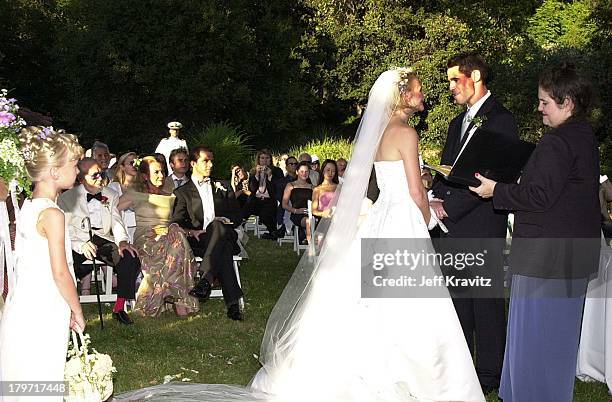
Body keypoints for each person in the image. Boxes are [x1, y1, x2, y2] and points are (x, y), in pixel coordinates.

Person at [116, 69, 486, 402]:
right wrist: (428, 216)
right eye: (419, 91)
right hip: (402, 218)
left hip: (383, 218)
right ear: (403, 95)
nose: (423, 96)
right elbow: (415, 191)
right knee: (411, 302)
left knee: (374, 299)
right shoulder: (406, 132)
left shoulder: (380, 135)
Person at [470, 62, 600, 402]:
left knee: (534, 340)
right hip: (574, 255)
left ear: (567, 102)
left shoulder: (557, 142)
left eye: (545, 102)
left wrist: (496, 190)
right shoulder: (584, 136)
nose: (539, 108)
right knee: (558, 341)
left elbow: (539, 196)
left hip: (547, 258)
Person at [429, 52, 517, 394]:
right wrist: (434, 196)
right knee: (458, 300)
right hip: (451, 225)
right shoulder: (456, 123)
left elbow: (495, 174)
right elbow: (451, 171)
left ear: (476, 76)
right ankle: (463, 368)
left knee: (486, 303)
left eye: (455, 79)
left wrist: (451, 209)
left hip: (480, 223)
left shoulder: (501, 120)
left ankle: (490, 374)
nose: (451, 87)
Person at [0, 126, 86, 398]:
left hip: (23, 303)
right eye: (74, 164)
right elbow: (61, 272)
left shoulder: (28, 208)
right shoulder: (53, 214)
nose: (78, 171)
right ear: (54, 172)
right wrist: (77, 309)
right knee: (43, 373)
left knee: (22, 377)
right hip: (46, 305)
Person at [59, 158, 141, 325]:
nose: (100, 178)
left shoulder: (110, 195)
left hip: (103, 239)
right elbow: (65, 230)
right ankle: (67, 308)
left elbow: (117, 221)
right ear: (81, 178)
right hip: (78, 240)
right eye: (94, 175)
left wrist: (123, 241)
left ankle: (119, 307)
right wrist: (80, 244)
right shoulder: (67, 198)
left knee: (129, 257)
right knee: (67, 265)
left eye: (101, 173)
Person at [171, 146, 244, 321]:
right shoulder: (182, 192)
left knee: (218, 226)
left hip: (225, 232)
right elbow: (177, 221)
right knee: (223, 249)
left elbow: (238, 216)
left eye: (211, 160)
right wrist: (191, 231)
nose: (210, 164)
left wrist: (226, 220)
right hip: (200, 240)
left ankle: (205, 278)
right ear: (193, 164)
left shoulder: (223, 186)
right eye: (206, 160)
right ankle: (232, 304)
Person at [120, 156, 200, 317]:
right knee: (176, 243)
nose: (161, 175)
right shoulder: (135, 194)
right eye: (156, 172)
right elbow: (111, 211)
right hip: (147, 237)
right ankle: (179, 300)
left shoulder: (169, 194)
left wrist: (176, 227)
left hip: (168, 236)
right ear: (144, 176)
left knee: (176, 236)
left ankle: (175, 297)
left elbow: (177, 219)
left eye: (162, 171)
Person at [244, 149, 281, 240]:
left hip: (269, 200)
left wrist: (270, 177)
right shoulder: (253, 171)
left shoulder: (277, 171)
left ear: (270, 160)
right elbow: (252, 189)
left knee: (265, 215)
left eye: (267, 158)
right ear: (259, 159)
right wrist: (256, 175)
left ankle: (273, 232)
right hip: (256, 199)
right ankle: (238, 229)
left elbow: (276, 190)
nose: (264, 161)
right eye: (262, 158)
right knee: (244, 211)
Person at [281, 161, 314, 244]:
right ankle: (310, 243)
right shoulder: (290, 185)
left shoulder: (312, 187)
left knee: (316, 220)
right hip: (297, 214)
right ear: (297, 172)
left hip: (311, 212)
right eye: (302, 171)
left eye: (306, 171)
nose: (304, 173)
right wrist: (296, 210)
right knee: (308, 221)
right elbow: (284, 204)